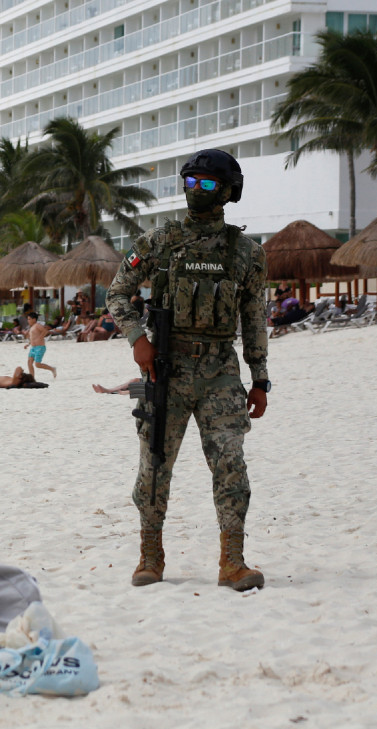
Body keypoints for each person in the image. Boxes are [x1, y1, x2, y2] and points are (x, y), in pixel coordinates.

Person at [105, 148, 269, 592]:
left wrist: (260, 380)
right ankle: (150, 556)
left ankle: (233, 561)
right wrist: (138, 339)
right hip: (164, 370)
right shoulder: (159, 242)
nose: (196, 191)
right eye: (190, 182)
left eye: (208, 184)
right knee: (154, 464)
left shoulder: (247, 254)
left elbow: (255, 319)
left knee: (231, 465)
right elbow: (117, 293)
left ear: (229, 192)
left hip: (221, 373)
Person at [25, 312, 57, 379]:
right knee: (29, 362)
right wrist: (28, 344)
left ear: (34, 319)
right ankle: (32, 378)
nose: (28, 321)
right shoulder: (31, 328)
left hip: (40, 347)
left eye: (29, 319)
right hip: (33, 348)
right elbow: (32, 338)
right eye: (27, 319)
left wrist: (41, 337)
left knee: (37, 364)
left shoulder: (37, 325)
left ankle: (52, 369)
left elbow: (45, 331)